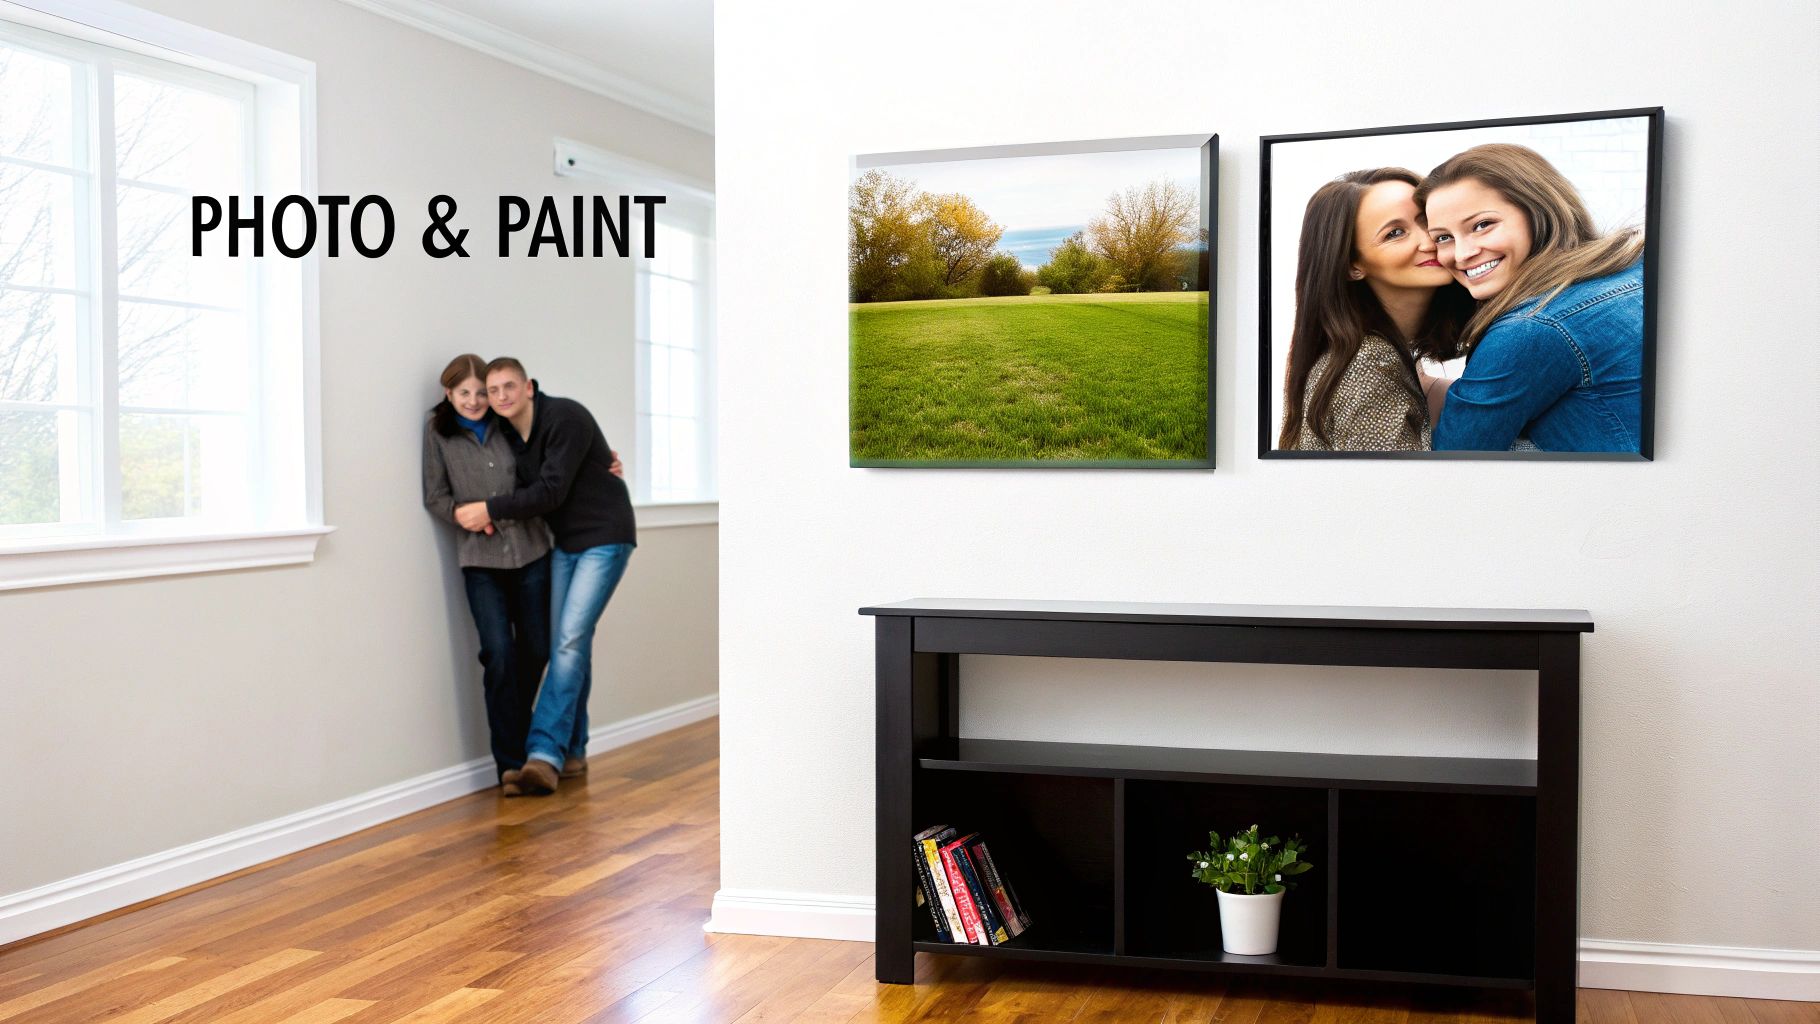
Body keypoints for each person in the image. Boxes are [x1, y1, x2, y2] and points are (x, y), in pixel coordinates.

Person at [455, 358, 635, 797]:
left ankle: (544, 756)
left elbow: (551, 490)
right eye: (492, 390)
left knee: (570, 639)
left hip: (605, 537)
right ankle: (573, 749)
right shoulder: (512, 437)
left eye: (508, 387)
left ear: (529, 386)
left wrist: (490, 509)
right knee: (569, 642)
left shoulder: (565, 416)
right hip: (565, 544)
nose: (499, 397)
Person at [1417, 144, 1645, 452]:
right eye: (1444, 237)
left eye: (1482, 225)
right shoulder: (1633, 264)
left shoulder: (1529, 328)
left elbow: (1454, 461)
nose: (1462, 254)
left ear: (1538, 212)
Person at [422, 353, 551, 785]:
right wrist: (466, 516)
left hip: (532, 551)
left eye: (482, 392)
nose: (476, 401)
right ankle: (512, 765)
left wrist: (601, 462)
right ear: (449, 394)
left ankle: (529, 741)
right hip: (480, 559)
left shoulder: (511, 421)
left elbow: (549, 468)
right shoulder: (437, 432)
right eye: (465, 393)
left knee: (537, 649)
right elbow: (435, 495)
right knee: (497, 654)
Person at [1278, 168, 1473, 451]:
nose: (1428, 241)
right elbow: (1387, 491)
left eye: (1427, 222)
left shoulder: (1372, 353)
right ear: (1352, 265)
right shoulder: (1369, 362)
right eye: (1395, 233)